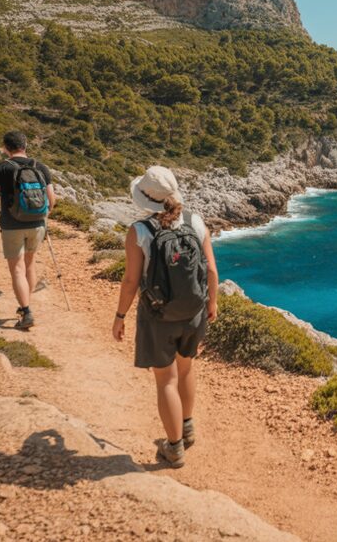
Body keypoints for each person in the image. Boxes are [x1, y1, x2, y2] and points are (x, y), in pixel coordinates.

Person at [113, 166, 218, 468]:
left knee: (166, 381)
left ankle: (174, 448)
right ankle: (187, 427)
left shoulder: (139, 232)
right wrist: (212, 303)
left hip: (158, 316)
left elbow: (131, 281)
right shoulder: (195, 221)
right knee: (185, 369)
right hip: (194, 311)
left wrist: (120, 315)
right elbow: (212, 271)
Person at [0, 130, 56, 330]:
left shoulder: (1, 168)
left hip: (12, 225)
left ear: (5, 148)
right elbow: (52, 201)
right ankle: (26, 305)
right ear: (25, 146)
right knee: (29, 265)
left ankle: (26, 311)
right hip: (37, 224)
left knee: (17, 269)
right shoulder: (41, 167)